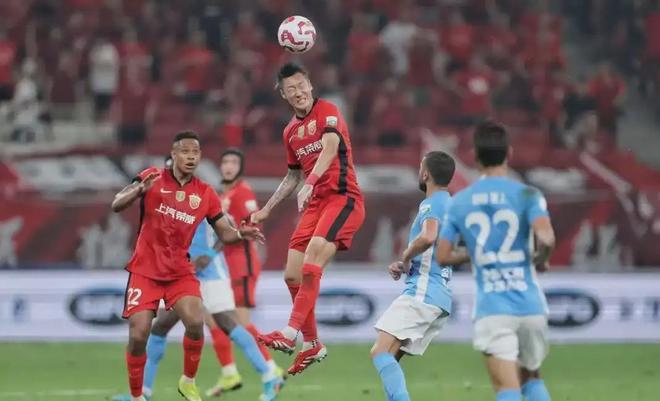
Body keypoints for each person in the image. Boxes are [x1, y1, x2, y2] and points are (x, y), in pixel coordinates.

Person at [111, 131, 271, 401]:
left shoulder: (205, 193)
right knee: (139, 335)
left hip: (181, 272)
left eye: (195, 153)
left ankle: (188, 382)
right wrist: (137, 190)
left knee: (196, 323)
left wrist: (241, 233)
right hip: (145, 271)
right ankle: (137, 395)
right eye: (185, 152)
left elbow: (225, 233)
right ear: (173, 155)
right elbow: (117, 204)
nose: (191, 157)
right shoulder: (152, 177)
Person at [251, 63, 365, 375]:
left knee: (312, 259)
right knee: (292, 274)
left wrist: (311, 181)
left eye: (301, 85)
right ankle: (312, 343)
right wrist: (267, 209)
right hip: (315, 205)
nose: (298, 92)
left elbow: (330, 147)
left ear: (310, 85)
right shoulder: (289, 131)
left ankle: (289, 334)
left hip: (342, 197)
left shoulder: (328, 110)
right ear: (284, 95)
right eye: (291, 89)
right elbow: (292, 176)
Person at [436, 121, 556, 401]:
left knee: (506, 387)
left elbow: (442, 256)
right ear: (509, 153)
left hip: (493, 306)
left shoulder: (460, 202)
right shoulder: (528, 195)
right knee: (531, 377)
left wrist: (476, 252)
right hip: (531, 306)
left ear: (475, 157)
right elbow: (547, 239)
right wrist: (541, 259)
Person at [370, 151, 468, 401]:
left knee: (380, 352)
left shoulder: (432, 203)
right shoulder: (451, 205)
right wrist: (408, 264)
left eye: (420, 167)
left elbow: (428, 237)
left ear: (426, 174)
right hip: (438, 293)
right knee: (390, 356)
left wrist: (406, 255)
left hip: (423, 291)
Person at [205, 148, 284, 395]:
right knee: (213, 318)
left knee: (239, 321)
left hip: (242, 265)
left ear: (241, 168)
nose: (228, 166)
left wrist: (212, 251)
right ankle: (229, 372)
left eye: (234, 162)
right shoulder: (223, 194)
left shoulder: (243, 193)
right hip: (224, 266)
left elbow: (250, 227)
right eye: (225, 161)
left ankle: (271, 369)